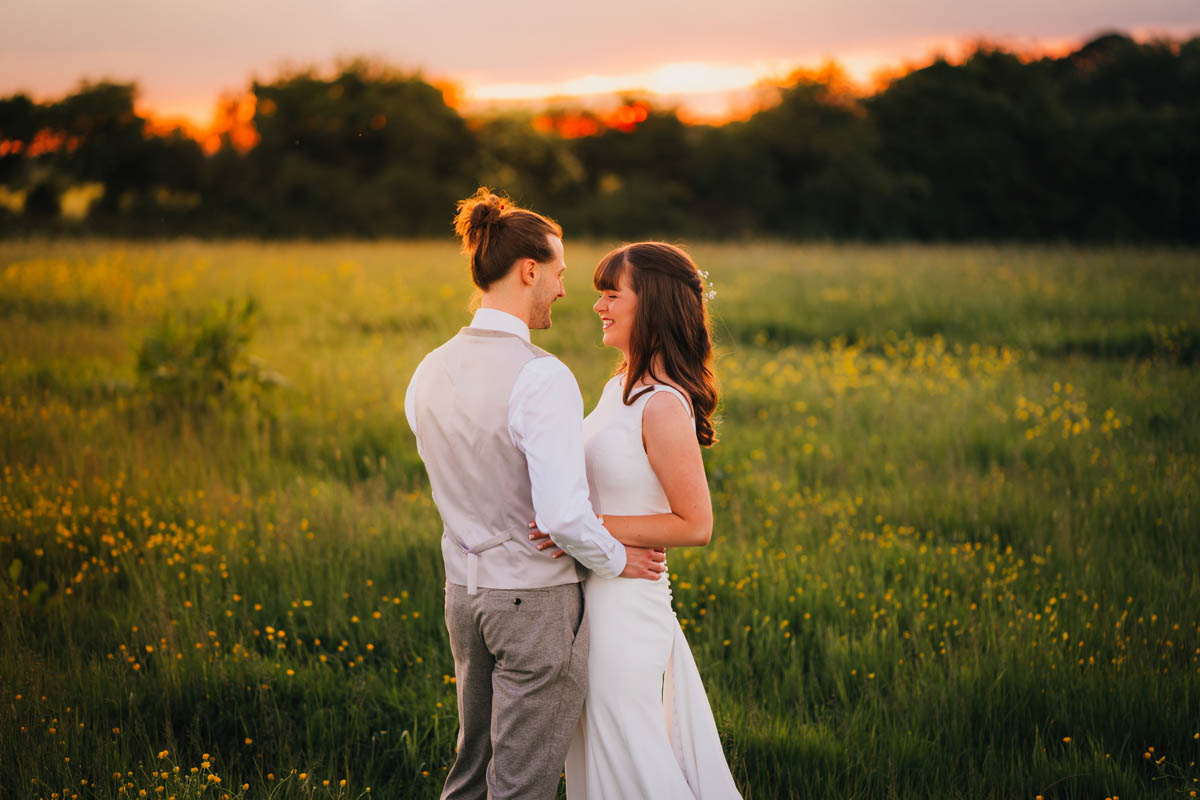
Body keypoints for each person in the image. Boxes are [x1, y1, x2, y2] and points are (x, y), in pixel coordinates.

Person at [404, 189, 668, 800]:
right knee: (520, 784)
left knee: (471, 771)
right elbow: (561, 515)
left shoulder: (428, 370)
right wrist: (617, 557)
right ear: (528, 270)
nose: (564, 290)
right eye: (560, 273)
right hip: (534, 602)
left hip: (463, 599)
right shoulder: (540, 374)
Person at [532, 242, 742, 798]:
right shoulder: (617, 387)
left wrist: (585, 525)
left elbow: (695, 524)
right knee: (599, 754)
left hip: (627, 608)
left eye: (610, 294)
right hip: (596, 594)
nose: (598, 306)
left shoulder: (662, 405)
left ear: (650, 304)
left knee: (630, 755)